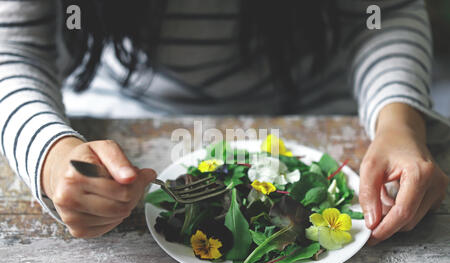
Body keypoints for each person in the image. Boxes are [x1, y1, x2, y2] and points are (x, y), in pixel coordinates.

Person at [0, 0, 448, 243]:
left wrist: (399, 126)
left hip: (317, 102)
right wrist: (52, 154)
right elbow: (13, 47)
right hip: (117, 105)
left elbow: (381, 15)